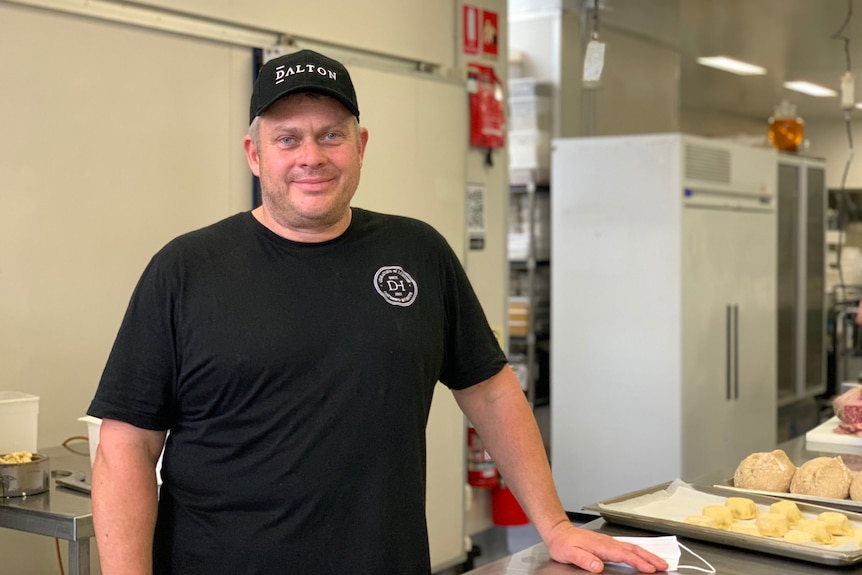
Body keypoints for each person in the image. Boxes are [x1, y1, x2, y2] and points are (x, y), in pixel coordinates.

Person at [87, 49, 667, 575]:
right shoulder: (186, 269)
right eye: (287, 139)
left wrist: (556, 525)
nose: (311, 157)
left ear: (360, 145)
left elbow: (490, 391)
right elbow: (126, 447)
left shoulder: (417, 252)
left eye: (331, 136)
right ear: (254, 154)